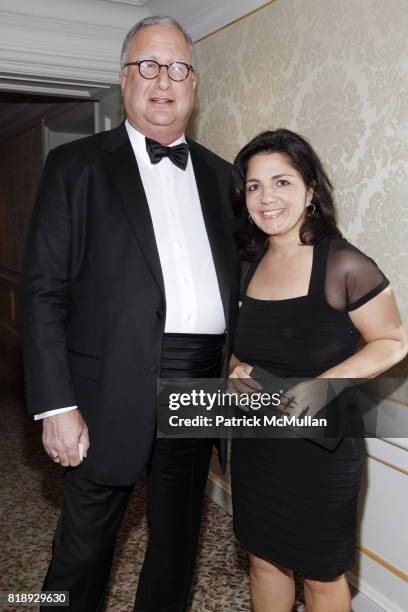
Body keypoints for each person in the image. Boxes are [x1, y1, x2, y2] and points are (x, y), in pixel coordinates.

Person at [21, 15, 238, 612]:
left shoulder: (225, 179)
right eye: (147, 65)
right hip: (105, 383)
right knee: (83, 548)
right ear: (124, 80)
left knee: (178, 543)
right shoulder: (77, 168)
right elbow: (42, 292)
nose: (163, 80)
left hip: (200, 383)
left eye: (177, 67)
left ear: (194, 84)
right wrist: (56, 404)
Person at [229, 129, 407, 612]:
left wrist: (324, 385)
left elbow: (393, 341)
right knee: (264, 560)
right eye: (254, 186)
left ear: (310, 190)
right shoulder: (247, 264)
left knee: (323, 576)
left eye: (281, 182)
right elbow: (238, 343)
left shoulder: (342, 263)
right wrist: (235, 366)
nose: (267, 198)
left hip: (320, 451)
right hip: (256, 443)